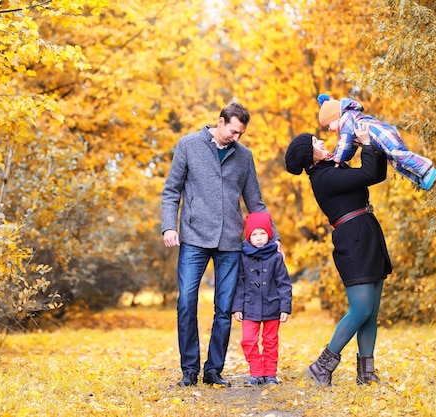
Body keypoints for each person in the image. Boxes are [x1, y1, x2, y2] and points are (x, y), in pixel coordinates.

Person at [161, 102, 280, 388]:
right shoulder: (188, 145)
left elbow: (256, 202)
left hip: (230, 242)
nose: (236, 138)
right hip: (194, 238)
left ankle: (214, 370)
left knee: (224, 309)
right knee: (186, 302)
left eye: (241, 134)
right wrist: (169, 226)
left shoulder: (244, 157)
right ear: (220, 121)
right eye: (233, 131)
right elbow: (171, 190)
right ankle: (189, 370)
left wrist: (274, 240)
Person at [284, 131, 392, 386]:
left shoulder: (333, 169)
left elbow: (375, 174)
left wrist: (379, 147)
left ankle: (366, 374)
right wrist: (365, 144)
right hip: (352, 240)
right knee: (361, 309)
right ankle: (322, 365)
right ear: (309, 156)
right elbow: (365, 173)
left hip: (366, 233)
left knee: (371, 311)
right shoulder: (323, 178)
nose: (322, 142)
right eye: (315, 143)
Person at [317, 93, 436, 191]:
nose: (329, 129)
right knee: (396, 162)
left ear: (336, 117)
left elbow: (344, 144)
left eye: (328, 125)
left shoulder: (346, 119)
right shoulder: (349, 125)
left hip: (384, 136)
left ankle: (428, 170)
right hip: (383, 138)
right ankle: (421, 179)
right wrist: (344, 157)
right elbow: (350, 148)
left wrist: (336, 159)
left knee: (399, 155)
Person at [232, 211, 292, 387]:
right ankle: (256, 373)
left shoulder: (276, 257)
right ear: (249, 236)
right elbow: (239, 283)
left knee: (270, 341)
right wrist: (237, 307)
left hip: (272, 306)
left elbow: (284, 284)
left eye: (262, 233)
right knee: (248, 341)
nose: (258, 238)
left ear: (269, 234)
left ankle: (270, 374)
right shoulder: (243, 256)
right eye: (254, 234)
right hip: (249, 307)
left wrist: (285, 307)